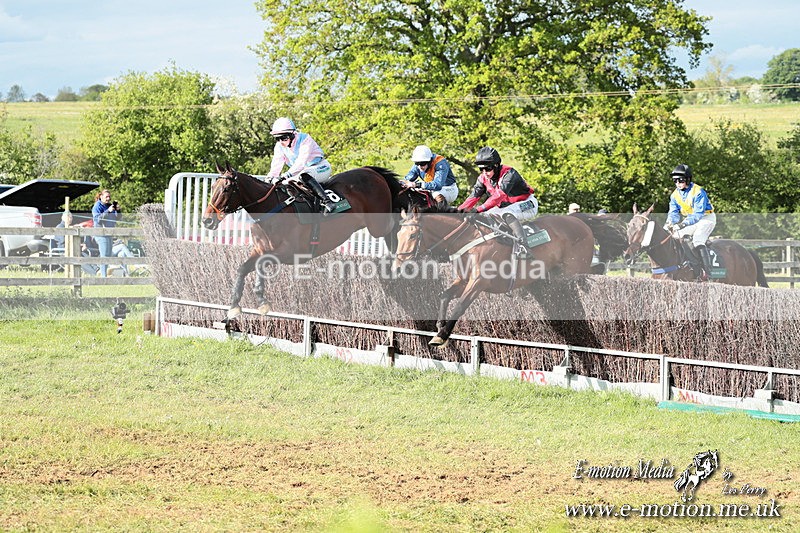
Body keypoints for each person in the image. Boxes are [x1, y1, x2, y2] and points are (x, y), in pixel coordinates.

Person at [458, 147, 539, 258]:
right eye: (481, 169)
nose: (484, 172)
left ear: (496, 165)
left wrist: (477, 210)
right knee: (484, 216)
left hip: (527, 204)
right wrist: (457, 211)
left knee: (507, 214)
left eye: (487, 168)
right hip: (506, 206)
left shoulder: (509, 174)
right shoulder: (482, 178)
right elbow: (473, 197)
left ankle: (524, 247)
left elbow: (498, 196)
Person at [267, 117, 336, 214]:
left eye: (283, 138)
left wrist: (286, 174)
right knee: (285, 183)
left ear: (292, 135)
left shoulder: (305, 139)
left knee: (303, 176)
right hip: (299, 173)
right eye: (277, 138)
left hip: (320, 167)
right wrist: (269, 178)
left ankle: (327, 202)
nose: (281, 142)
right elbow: (276, 165)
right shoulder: (279, 146)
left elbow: (301, 162)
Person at [665, 164, 716, 281]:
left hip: (706, 218)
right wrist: (669, 224)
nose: (678, 183)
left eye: (680, 180)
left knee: (697, 240)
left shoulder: (698, 192)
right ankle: (684, 265)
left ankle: (708, 274)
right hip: (690, 220)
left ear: (687, 179)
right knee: (675, 236)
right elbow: (673, 213)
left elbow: (698, 214)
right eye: (675, 180)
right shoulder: (674, 195)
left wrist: (683, 224)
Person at [92, 189, 120, 277]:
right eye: (106, 197)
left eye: (109, 197)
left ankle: (104, 274)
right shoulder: (97, 206)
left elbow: (118, 218)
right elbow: (98, 219)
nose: (108, 199)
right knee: (104, 255)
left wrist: (118, 210)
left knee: (108, 255)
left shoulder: (109, 206)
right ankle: (103, 277)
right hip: (101, 234)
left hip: (109, 233)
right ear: (101, 196)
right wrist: (108, 211)